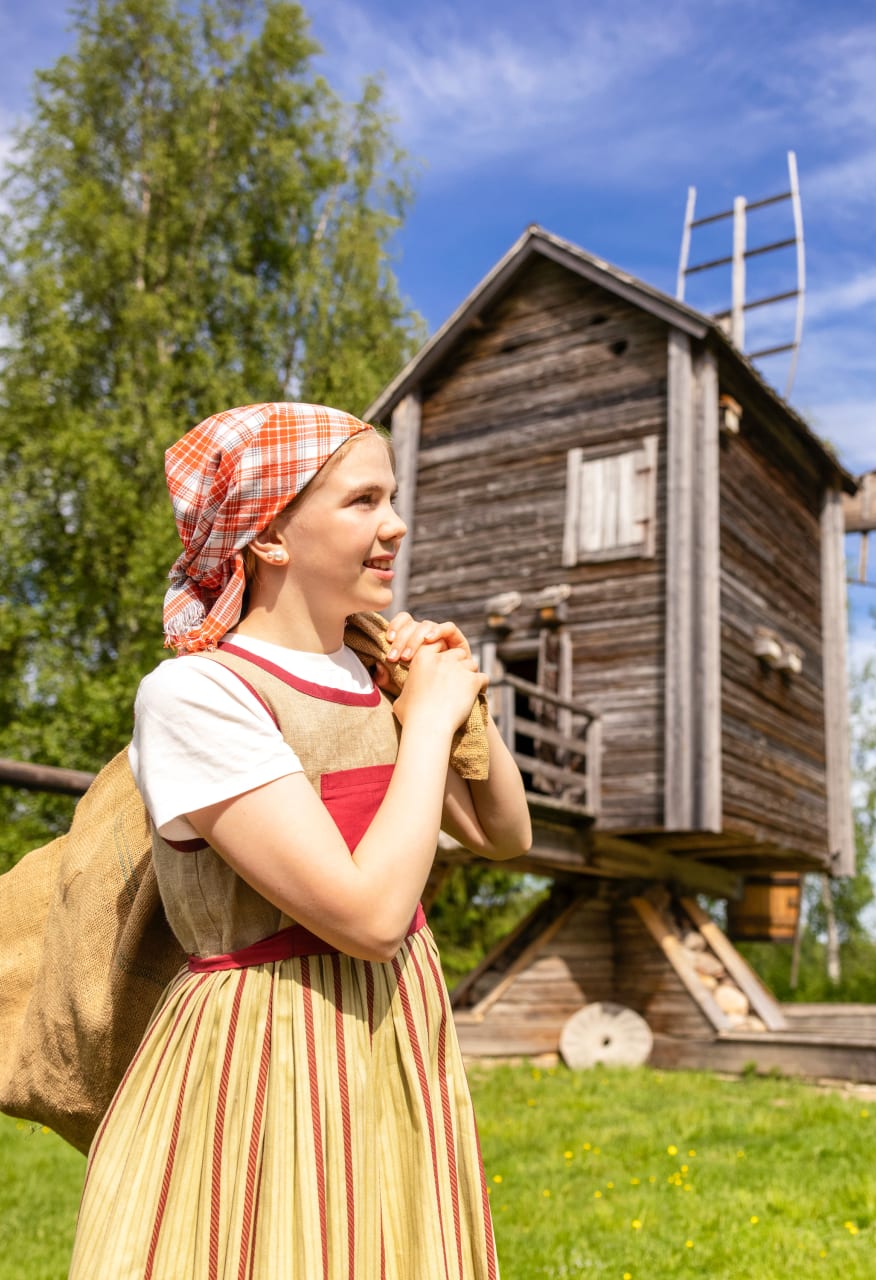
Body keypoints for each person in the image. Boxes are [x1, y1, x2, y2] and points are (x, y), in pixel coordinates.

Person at [69, 402, 530, 1278]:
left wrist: (453, 704)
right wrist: (426, 727)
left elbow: (502, 832)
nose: (394, 525)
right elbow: (366, 917)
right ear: (270, 536)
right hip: (270, 1042)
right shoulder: (199, 695)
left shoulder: (371, 672)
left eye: (391, 498)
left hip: (392, 1028)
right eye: (362, 502)